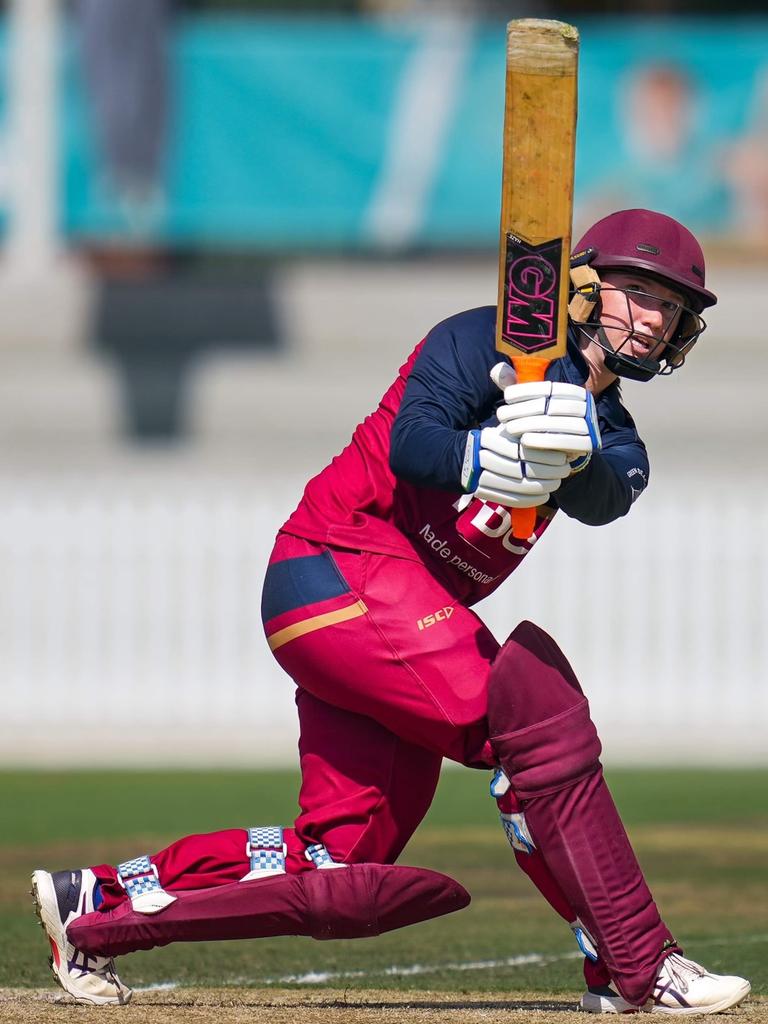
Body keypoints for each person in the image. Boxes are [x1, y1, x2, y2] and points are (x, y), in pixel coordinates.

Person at [32, 209, 751, 1013]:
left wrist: (566, 443)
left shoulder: (617, 439)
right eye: (634, 292)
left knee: (339, 861)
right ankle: (635, 963)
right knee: (528, 721)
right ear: (583, 285)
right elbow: (415, 442)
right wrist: (483, 451)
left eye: (669, 307)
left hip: (395, 619)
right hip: (335, 562)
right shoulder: (478, 343)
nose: (651, 319)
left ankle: (98, 906)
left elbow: (603, 498)